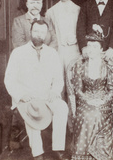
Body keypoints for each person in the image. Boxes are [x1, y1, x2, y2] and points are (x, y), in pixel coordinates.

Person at [4, 20, 68, 160]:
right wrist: (21, 95)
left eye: (42, 32)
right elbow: (9, 79)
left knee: (62, 107)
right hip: (27, 98)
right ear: (30, 32)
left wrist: (55, 92)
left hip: (46, 97)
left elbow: (58, 79)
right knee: (32, 110)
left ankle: (58, 148)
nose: (39, 35)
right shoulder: (18, 53)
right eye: (36, 31)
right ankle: (38, 154)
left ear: (46, 35)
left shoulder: (52, 53)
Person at [69, 26, 113, 160]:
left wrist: (103, 100)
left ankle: (99, 152)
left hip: (104, 100)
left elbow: (112, 90)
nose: (91, 50)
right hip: (85, 101)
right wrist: (88, 100)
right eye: (89, 46)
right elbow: (78, 90)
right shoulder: (80, 66)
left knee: (97, 113)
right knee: (86, 114)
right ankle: (83, 154)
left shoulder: (108, 66)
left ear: (101, 50)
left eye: (94, 47)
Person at [45, 0, 81, 73]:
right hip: (58, 51)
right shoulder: (51, 12)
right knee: (58, 79)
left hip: (75, 51)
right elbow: (48, 34)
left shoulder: (78, 10)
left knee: (73, 79)